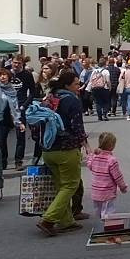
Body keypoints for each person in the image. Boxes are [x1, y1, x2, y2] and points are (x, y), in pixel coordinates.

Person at [37, 70, 89, 236]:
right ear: (67, 85)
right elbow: (77, 126)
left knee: (61, 186)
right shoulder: (72, 101)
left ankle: (66, 221)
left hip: (48, 148)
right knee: (70, 185)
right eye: (75, 84)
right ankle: (48, 220)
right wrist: (85, 143)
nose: (78, 86)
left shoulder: (50, 97)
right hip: (66, 149)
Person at [0, 68, 26, 171]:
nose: (2, 77)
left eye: (5, 75)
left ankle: (18, 161)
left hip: (12, 115)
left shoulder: (12, 89)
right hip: (0, 117)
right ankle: (3, 161)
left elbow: (15, 105)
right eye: (0, 75)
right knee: (1, 140)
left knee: (20, 138)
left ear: (9, 77)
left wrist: (19, 120)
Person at [86, 132, 127, 219]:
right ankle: (108, 226)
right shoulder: (111, 160)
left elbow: (89, 165)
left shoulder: (95, 157)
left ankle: (102, 222)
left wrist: (90, 154)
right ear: (111, 146)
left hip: (96, 191)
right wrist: (123, 187)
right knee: (109, 212)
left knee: (99, 211)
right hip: (107, 191)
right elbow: (117, 176)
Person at [87, 58, 112, 122]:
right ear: (104, 64)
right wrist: (110, 87)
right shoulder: (106, 71)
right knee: (106, 102)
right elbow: (108, 80)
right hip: (104, 88)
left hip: (95, 88)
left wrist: (89, 88)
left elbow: (91, 80)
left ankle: (99, 116)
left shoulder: (94, 71)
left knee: (98, 102)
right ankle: (104, 114)